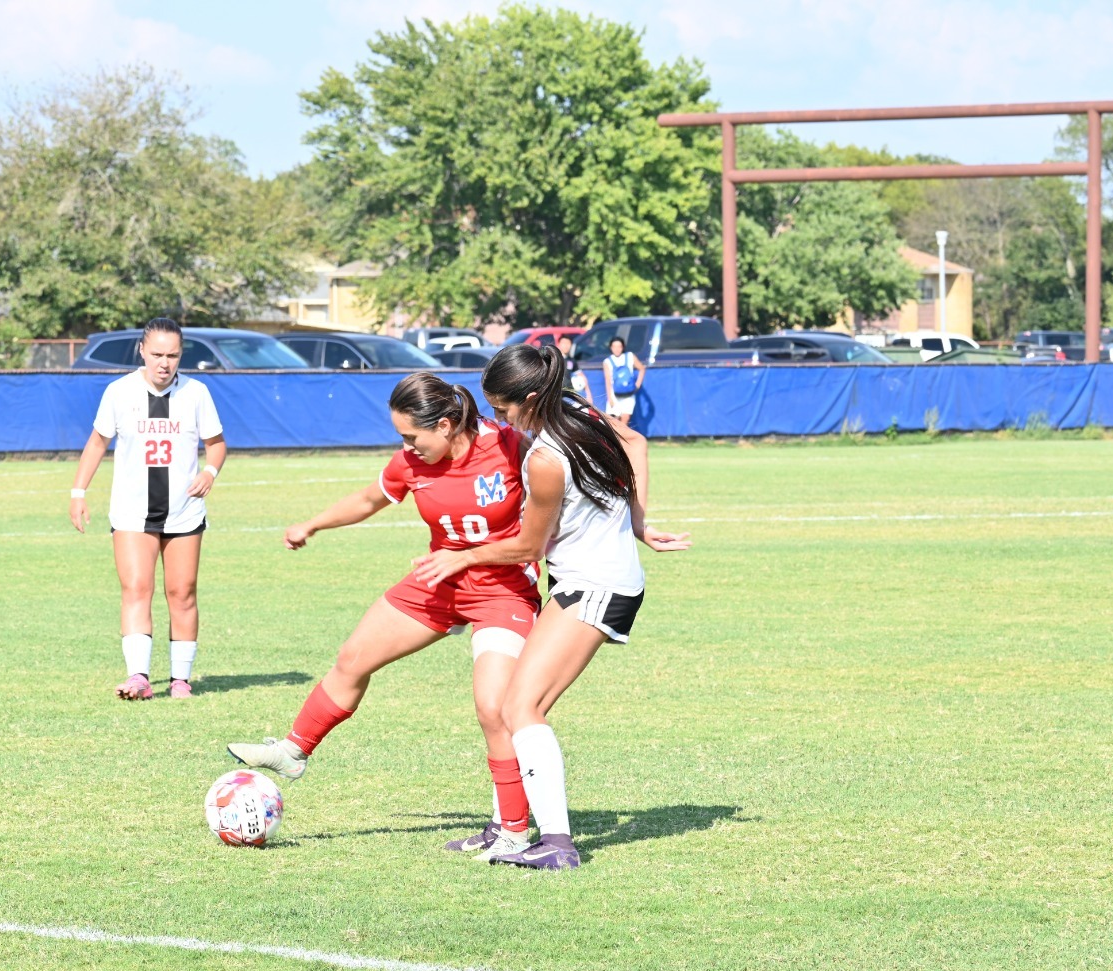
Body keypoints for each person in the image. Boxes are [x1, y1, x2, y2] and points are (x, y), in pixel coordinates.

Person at [227, 372, 542, 861]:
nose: (407, 447)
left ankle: (515, 832)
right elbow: (368, 500)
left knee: (494, 708)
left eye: (412, 437)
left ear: (445, 424)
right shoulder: (413, 462)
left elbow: (571, 480)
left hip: (503, 591)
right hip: (437, 580)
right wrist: (312, 524)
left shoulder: (511, 447)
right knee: (353, 658)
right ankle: (293, 752)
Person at [414, 342, 690, 870]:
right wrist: (635, 521)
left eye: (505, 408)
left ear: (534, 396)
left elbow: (525, 548)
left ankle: (558, 846)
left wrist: (458, 558)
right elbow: (636, 442)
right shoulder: (578, 409)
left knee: (521, 708)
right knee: (508, 706)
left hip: (596, 587)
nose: (499, 419)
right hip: (585, 582)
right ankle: (508, 828)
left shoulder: (544, 459)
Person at [69, 318, 227, 701]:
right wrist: (78, 491)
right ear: (141, 350)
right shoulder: (119, 392)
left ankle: (180, 680)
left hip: (184, 511)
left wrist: (209, 471)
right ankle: (138, 677)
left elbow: (217, 444)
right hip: (131, 510)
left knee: (182, 592)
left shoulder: (196, 393)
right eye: (157, 354)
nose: (164, 363)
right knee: (136, 588)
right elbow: (96, 443)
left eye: (172, 355)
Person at [601, 336, 646, 424]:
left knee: (625, 420)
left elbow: (642, 368)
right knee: (614, 422)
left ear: (623, 347)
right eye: (614, 346)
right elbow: (608, 380)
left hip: (628, 393)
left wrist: (637, 384)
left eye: (619, 346)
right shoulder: (607, 361)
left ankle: (622, 438)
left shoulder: (630, 356)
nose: (617, 349)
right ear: (611, 348)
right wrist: (610, 398)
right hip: (615, 394)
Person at [559, 334, 594, 407]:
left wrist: (588, 394)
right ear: (559, 344)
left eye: (568, 343)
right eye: (564, 343)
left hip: (569, 393)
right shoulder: (554, 359)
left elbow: (581, 376)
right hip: (556, 393)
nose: (566, 346)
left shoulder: (571, 361)